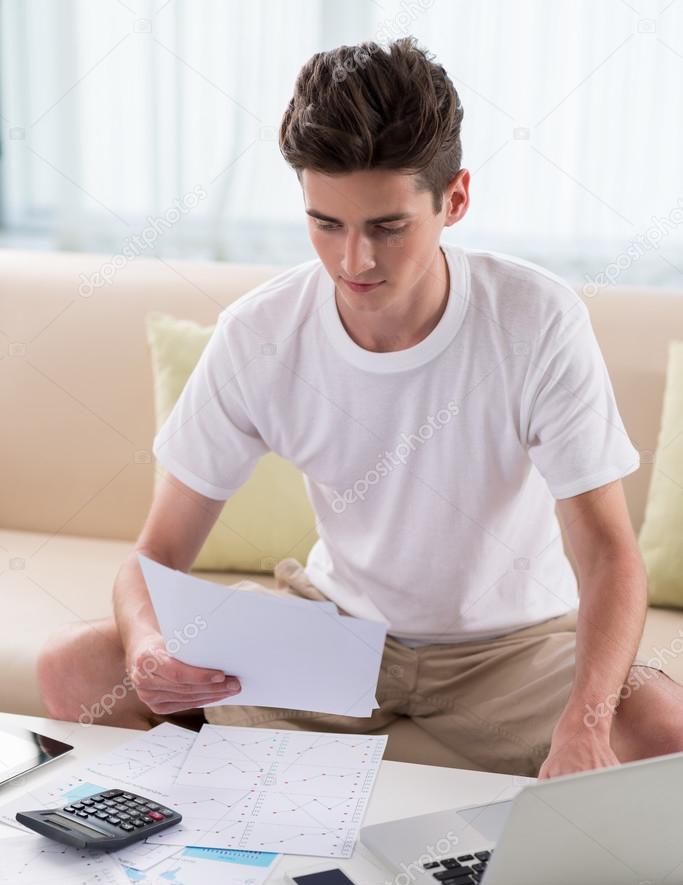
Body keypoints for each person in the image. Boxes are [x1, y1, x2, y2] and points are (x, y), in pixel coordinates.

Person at [37, 37, 683, 779]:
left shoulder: (536, 319)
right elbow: (152, 556)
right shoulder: (259, 332)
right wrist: (148, 644)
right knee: (74, 670)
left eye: (386, 226)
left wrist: (585, 721)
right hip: (335, 635)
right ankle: (221, 851)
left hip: (511, 647)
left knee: (664, 731)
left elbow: (607, 554)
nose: (353, 263)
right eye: (326, 224)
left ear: (455, 199)